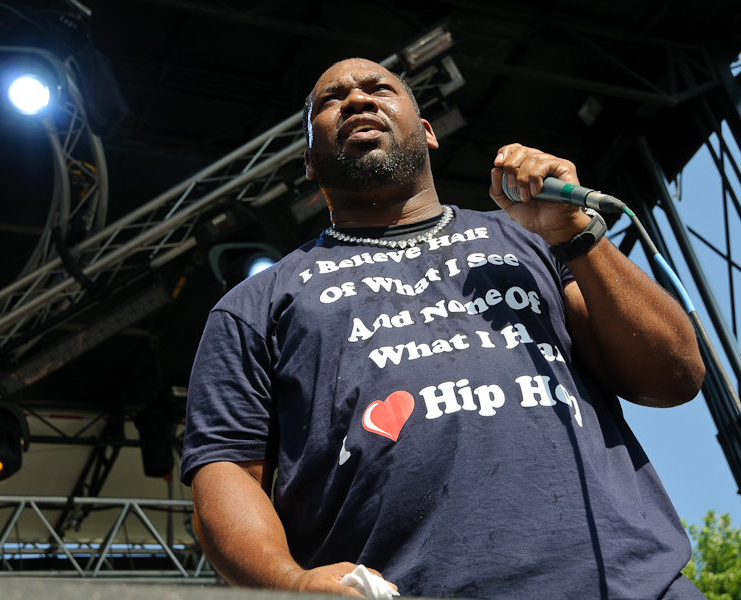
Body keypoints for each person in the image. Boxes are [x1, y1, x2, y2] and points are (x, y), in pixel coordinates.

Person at [181, 57, 706, 599]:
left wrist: (576, 236)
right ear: (309, 163)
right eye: (332, 101)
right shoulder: (255, 305)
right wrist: (291, 582)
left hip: (630, 586)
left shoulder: (532, 242)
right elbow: (228, 474)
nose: (358, 100)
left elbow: (675, 376)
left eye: (379, 89)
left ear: (427, 132)